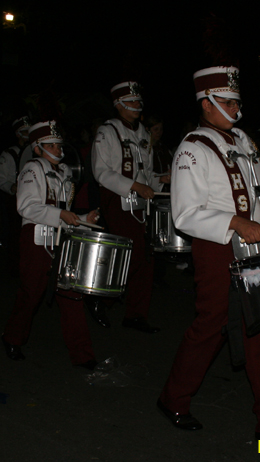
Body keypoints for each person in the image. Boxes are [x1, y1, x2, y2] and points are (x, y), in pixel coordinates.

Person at [158, 66, 260, 441]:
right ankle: (174, 398)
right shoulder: (192, 148)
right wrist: (236, 223)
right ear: (207, 104)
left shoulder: (244, 141)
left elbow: (259, 193)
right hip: (218, 250)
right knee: (211, 326)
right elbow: (185, 214)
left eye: (238, 101)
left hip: (257, 247)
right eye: (228, 101)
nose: (237, 108)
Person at [2, 120, 100, 367]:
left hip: (60, 239)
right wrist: (61, 216)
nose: (58, 149)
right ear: (37, 148)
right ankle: (12, 337)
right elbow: (26, 207)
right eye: (52, 145)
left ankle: (82, 354)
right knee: (31, 293)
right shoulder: (31, 170)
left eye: (59, 144)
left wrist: (82, 219)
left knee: (71, 294)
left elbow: (64, 212)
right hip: (36, 240)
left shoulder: (65, 171)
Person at [91, 81, 168, 332]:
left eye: (138, 101)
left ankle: (136, 314)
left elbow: (144, 173)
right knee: (129, 255)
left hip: (140, 203)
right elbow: (101, 172)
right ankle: (101, 299)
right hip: (117, 199)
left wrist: (159, 181)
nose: (137, 106)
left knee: (146, 258)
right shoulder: (108, 132)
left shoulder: (143, 133)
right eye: (132, 102)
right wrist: (135, 186)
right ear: (119, 104)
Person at [0, 116, 31, 270]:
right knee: (13, 234)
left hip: (31, 199)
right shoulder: (9, 154)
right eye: (25, 132)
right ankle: (14, 265)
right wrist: (11, 186)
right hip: (13, 200)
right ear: (18, 134)